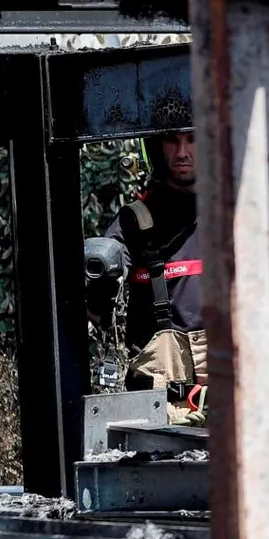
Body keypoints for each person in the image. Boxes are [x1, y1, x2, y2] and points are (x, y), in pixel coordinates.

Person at [83, 131, 208, 425]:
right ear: (155, 147)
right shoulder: (136, 220)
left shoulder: (237, 211)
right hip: (159, 414)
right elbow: (102, 267)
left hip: (231, 408)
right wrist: (101, 283)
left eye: (193, 138)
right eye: (171, 141)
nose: (181, 152)